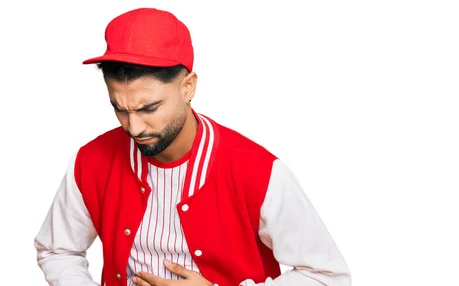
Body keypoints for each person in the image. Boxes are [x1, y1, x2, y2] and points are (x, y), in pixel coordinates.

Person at [34, 7, 351, 286]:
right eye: (120, 109)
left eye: (149, 109)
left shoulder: (258, 171)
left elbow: (325, 276)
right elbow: (57, 249)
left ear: (188, 87)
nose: (134, 127)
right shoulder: (91, 161)